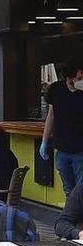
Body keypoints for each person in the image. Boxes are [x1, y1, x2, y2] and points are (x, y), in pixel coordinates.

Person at [41, 58, 83, 195]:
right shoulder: (56, 89)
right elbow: (51, 116)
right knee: (68, 189)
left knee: (80, 189)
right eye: (77, 77)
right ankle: (72, 215)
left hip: (80, 150)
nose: (77, 81)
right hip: (62, 148)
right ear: (68, 77)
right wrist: (45, 141)